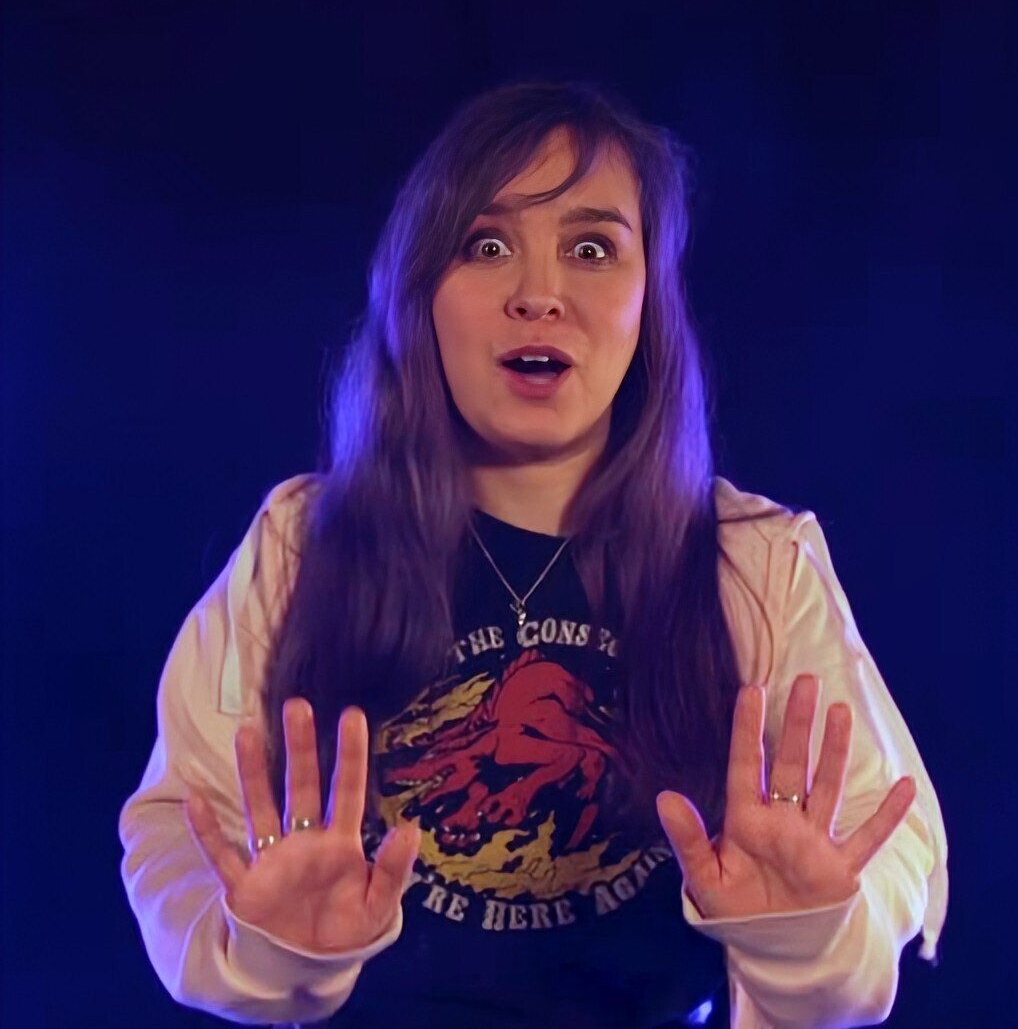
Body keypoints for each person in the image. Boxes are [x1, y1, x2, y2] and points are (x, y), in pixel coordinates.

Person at [118, 79, 948, 1029]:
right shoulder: (302, 545)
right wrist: (272, 952)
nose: (539, 295)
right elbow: (179, 831)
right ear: (417, 293)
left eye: (592, 249)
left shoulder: (754, 563)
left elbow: (891, 851)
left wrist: (805, 939)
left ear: (650, 303)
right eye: (486, 245)